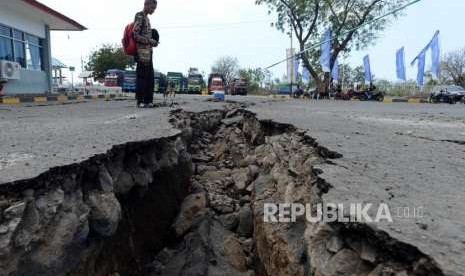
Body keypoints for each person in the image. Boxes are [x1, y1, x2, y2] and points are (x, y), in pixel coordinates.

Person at [133, 0, 159, 108]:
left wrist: (153, 41)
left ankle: (148, 100)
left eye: (154, 8)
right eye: (152, 8)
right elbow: (135, 35)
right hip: (141, 52)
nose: (153, 10)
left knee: (150, 77)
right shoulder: (140, 16)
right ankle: (140, 101)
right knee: (142, 77)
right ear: (146, 5)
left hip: (148, 52)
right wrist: (149, 41)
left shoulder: (147, 18)